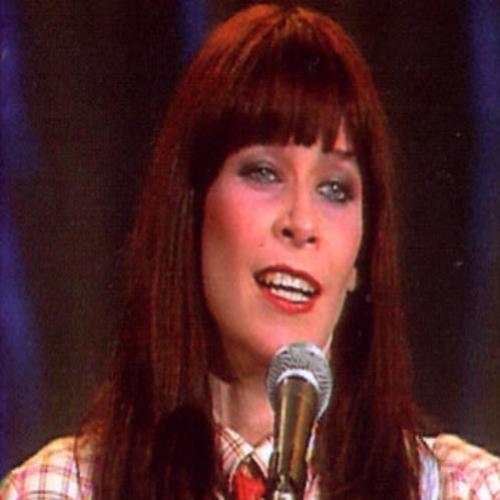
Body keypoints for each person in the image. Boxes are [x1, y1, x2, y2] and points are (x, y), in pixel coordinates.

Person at [1, 4, 499, 499]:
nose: (301, 222)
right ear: (193, 210)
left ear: (361, 257)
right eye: (264, 173)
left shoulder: (462, 489)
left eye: (334, 189)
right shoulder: (63, 489)